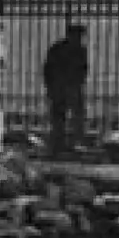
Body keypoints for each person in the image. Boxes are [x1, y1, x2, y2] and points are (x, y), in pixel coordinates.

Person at [42, 23, 88, 154]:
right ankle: (60, 143)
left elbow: (83, 70)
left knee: (72, 116)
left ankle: (70, 142)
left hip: (68, 87)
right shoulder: (61, 50)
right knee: (60, 116)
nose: (79, 39)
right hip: (62, 87)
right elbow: (49, 69)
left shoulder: (77, 50)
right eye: (78, 36)